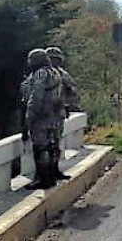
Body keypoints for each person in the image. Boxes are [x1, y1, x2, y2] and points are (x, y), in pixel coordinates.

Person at [23, 48, 63, 189]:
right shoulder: (55, 72)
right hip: (53, 116)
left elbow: (36, 98)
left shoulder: (40, 74)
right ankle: (50, 176)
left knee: (40, 148)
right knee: (51, 146)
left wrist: (28, 118)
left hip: (40, 118)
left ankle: (43, 179)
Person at [46, 46, 78, 180]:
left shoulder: (63, 74)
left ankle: (54, 170)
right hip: (45, 116)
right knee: (45, 145)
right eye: (52, 59)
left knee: (55, 144)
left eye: (56, 59)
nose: (54, 62)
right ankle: (45, 173)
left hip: (57, 114)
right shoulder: (42, 74)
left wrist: (66, 104)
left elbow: (72, 90)